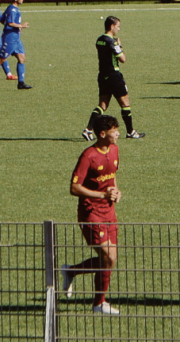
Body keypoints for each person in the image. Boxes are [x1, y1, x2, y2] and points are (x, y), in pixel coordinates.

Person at [60, 115, 122, 315]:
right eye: (115, 130)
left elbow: (112, 176)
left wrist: (115, 191)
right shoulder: (88, 156)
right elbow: (74, 187)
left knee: (111, 259)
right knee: (106, 256)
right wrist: (101, 194)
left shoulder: (114, 150)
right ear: (103, 134)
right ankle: (98, 303)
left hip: (109, 211)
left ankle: (72, 273)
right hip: (91, 213)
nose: (118, 133)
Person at [82, 16, 145, 142]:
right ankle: (131, 131)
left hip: (102, 75)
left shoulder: (99, 40)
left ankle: (88, 129)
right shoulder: (112, 42)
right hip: (114, 76)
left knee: (102, 105)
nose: (118, 29)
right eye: (117, 26)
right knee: (125, 104)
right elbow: (123, 59)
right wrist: (119, 46)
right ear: (111, 27)